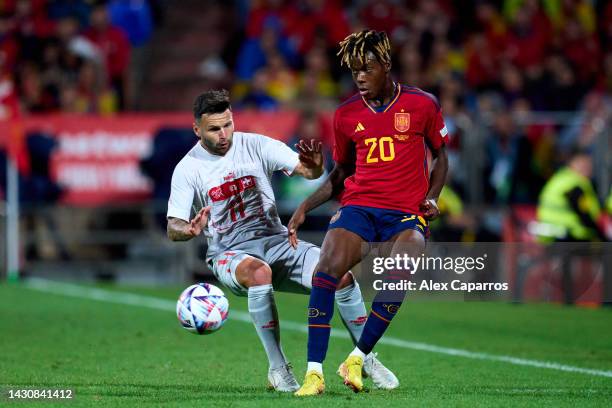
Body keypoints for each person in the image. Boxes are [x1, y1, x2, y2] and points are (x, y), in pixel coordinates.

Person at [166, 89, 397, 392]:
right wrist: (189, 230)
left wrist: (314, 164)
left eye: (228, 124)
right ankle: (278, 368)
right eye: (214, 128)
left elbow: (307, 171)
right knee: (259, 272)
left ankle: (364, 357)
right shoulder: (188, 168)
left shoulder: (256, 144)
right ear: (197, 129)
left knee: (339, 276)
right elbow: (173, 226)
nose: (224, 134)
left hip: (276, 241)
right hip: (229, 253)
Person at [289, 30, 449, 396]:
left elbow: (441, 157)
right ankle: (314, 373)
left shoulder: (422, 104)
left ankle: (358, 358)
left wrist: (434, 197)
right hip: (359, 207)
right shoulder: (345, 115)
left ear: (386, 66)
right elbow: (340, 174)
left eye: (366, 68)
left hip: (406, 213)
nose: (359, 77)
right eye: (353, 71)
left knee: (401, 272)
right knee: (326, 270)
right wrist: (304, 206)